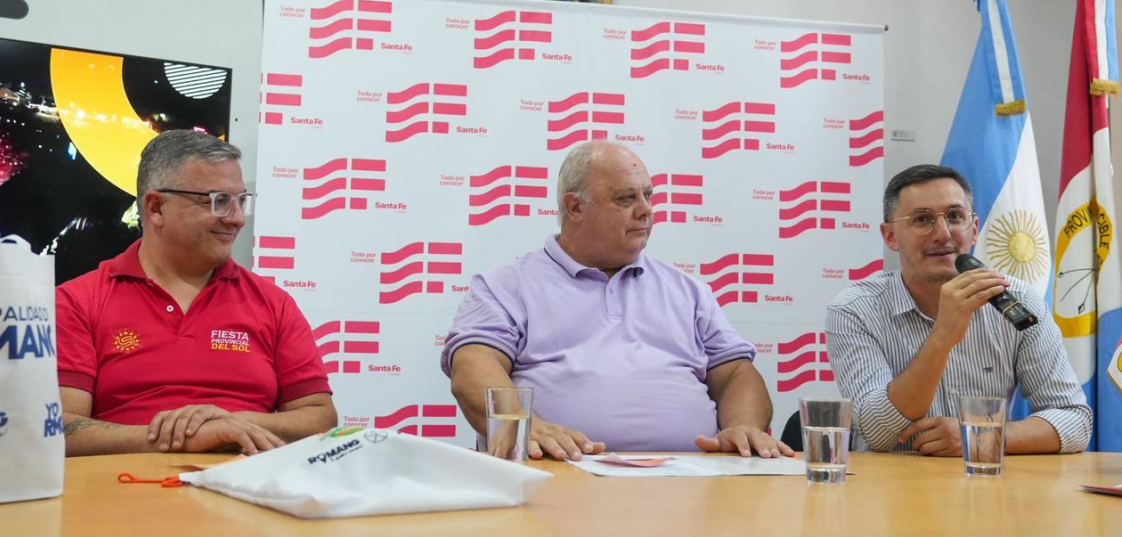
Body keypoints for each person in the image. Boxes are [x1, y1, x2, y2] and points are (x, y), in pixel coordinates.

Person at [441, 141, 791, 460]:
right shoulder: (505, 286)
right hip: (559, 472)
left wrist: (743, 428)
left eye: (648, 195)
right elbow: (473, 365)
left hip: (689, 480)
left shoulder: (687, 290)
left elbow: (736, 374)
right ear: (575, 207)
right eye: (626, 199)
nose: (646, 209)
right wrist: (523, 426)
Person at [56, 130, 337, 456]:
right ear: (156, 208)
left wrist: (230, 423)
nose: (237, 219)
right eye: (219, 201)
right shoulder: (77, 301)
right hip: (124, 483)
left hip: (249, 482)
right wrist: (182, 438)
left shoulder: (274, 303)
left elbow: (320, 418)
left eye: (241, 201)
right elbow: (60, 428)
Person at [825, 164, 1091, 455]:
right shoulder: (854, 310)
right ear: (890, 236)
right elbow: (876, 432)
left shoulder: (1017, 300)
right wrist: (943, 336)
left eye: (954, 217)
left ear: (974, 230)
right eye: (922, 219)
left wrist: (980, 436)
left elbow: (1075, 421)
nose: (943, 233)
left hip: (985, 480)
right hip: (890, 481)